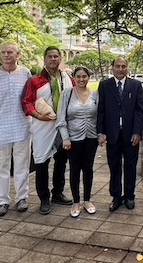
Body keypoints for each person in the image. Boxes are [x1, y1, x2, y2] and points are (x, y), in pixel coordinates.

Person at [21, 46, 74, 215]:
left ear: (60, 59)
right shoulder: (35, 81)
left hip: (63, 126)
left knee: (61, 160)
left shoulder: (67, 78)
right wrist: (37, 115)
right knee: (42, 162)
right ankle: (44, 198)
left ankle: (57, 193)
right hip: (43, 125)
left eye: (56, 56)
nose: (53, 59)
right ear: (44, 59)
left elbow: (75, 96)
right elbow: (26, 102)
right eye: (50, 56)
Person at [0, 42, 32, 217]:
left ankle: (22, 198)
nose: (6, 55)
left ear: (18, 55)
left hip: (22, 125)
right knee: (1, 167)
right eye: (3, 52)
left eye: (10, 52)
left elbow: (29, 99)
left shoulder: (26, 73)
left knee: (22, 165)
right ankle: (2, 201)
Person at [97, 57, 143, 212]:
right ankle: (116, 197)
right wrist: (101, 131)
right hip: (112, 135)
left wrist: (138, 132)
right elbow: (101, 110)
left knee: (131, 166)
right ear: (112, 68)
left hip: (131, 135)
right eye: (117, 66)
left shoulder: (136, 85)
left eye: (123, 66)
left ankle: (130, 196)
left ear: (127, 68)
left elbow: (140, 110)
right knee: (114, 166)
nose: (120, 69)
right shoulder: (105, 85)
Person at [56, 66, 99, 218]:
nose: (81, 79)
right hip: (73, 139)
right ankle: (76, 201)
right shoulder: (67, 94)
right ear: (73, 77)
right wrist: (65, 138)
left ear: (89, 77)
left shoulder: (95, 94)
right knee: (74, 169)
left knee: (88, 168)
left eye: (84, 76)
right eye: (78, 76)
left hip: (91, 137)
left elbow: (99, 117)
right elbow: (61, 119)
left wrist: (100, 134)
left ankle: (87, 200)